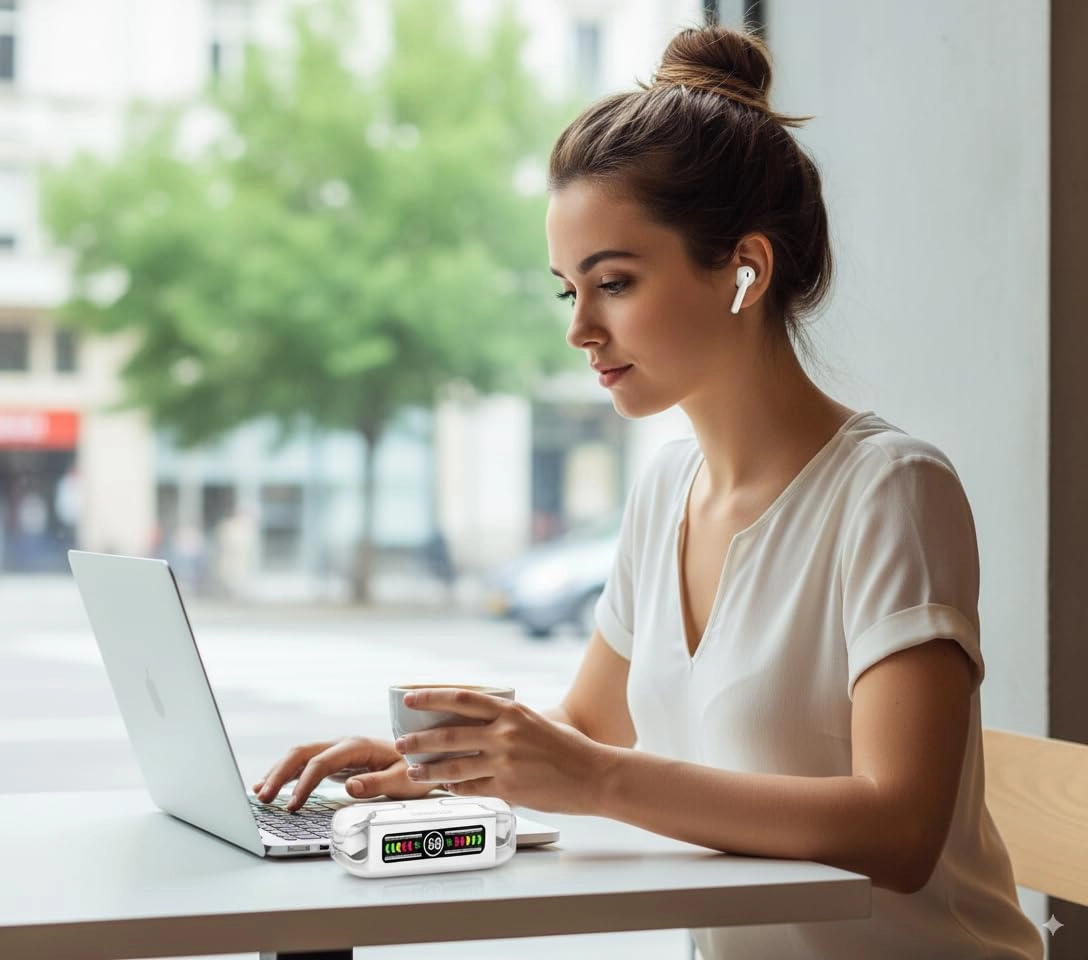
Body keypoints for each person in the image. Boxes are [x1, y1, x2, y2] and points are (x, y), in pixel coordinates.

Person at [255, 24, 1043, 960]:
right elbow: (593, 725)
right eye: (567, 292)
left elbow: (900, 831)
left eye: (615, 283)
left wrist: (593, 780)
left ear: (744, 270)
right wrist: (438, 763)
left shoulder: (891, 491)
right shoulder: (668, 486)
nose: (581, 330)